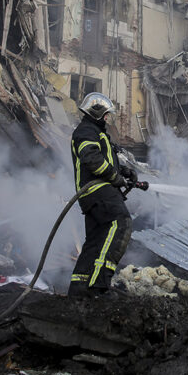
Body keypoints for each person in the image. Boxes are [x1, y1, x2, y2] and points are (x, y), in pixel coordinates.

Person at [68, 92, 137, 298]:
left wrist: (124, 171)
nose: (108, 118)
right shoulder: (86, 132)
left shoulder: (96, 132)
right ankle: (99, 284)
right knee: (121, 222)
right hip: (98, 190)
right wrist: (114, 177)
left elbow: (105, 159)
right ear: (97, 113)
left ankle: (79, 288)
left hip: (94, 193)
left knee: (96, 239)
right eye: (106, 114)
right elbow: (91, 158)